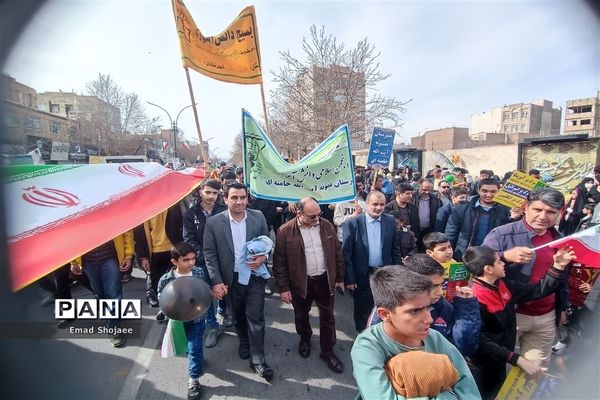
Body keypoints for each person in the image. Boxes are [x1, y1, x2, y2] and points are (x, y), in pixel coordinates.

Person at [351, 266, 480, 400]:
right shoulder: (368, 347)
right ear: (385, 314)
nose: (429, 319)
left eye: (427, 307)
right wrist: (448, 395)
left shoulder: (434, 338)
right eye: (415, 311)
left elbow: (467, 387)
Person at [463, 245, 574, 399]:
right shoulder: (473, 298)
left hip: (499, 360)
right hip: (482, 366)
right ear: (488, 269)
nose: (503, 263)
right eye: (499, 262)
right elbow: (479, 340)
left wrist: (558, 266)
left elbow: (537, 290)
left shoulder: (503, 285)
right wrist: (515, 358)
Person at [482, 188, 569, 371]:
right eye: (538, 210)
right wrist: (504, 256)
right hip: (510, 313)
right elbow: (477, 265)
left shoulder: (560, 240)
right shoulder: (502, 234)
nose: (543, 216)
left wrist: (562, 307)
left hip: (546, 316)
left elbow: (562, 277)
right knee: (500, 367)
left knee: (536, 372)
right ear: (525, 207)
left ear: (560, 213)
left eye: (551, 212)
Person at [203, 182, 274, 381]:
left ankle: (258, 359)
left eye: (243, 198)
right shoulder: (214, 223)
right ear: (225, 199)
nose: (239, 202)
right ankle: (244, 340)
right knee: (238, 316)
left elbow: (267, 243)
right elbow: (209, 254)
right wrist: (216, 281)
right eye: (234, 198)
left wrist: (264, 258)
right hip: (230, 279)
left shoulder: (257, 217)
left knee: (256, 317)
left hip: (254, 277)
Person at [273, 197, 345, 373]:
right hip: (300, 282)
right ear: (299, 214)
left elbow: (337, 253)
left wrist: (340, 278)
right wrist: (283, 288)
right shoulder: (285, 231)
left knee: (328, 318)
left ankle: (327, 351)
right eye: (312, 216)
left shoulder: (327, 225)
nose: (317, 219)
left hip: (324, 280)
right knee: (301, 315)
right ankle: (305, 339)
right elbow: (279, 263)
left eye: (318, 214)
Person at [367, 254, 480, 357]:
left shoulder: (445, 307)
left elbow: (461, 349)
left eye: (441, 284)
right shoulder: (390, 309)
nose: (440, 292)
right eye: (432, 286)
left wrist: (466, 309)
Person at [343, 190, 402, 332]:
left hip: (385, 273)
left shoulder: (389, 221)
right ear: (367, 204)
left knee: (384, 307)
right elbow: (347, 253)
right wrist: (350, 279)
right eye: (375, 204)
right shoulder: (352, 223)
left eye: (382, 204)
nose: (378, 208)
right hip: (363, 274)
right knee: (363, 309)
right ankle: (363, 337)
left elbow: (395, 249)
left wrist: (398, 273)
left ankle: (381, 335)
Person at [157, 242, 206, 400]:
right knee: (188, 347)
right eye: (186, 260)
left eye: (193, 259)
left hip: (197, 320)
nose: (191, 263)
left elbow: (203, 293)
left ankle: (193, 379)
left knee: (195, 346)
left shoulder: (199, 273)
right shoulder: (166, 280)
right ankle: (196, 360)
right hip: (178, 321)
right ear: (174, 261)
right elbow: (162, 298)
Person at [182, 179, 227, 347]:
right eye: (208, 192)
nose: (211, 196)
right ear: (201, 191)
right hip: (201, 262)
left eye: (215, 193)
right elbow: (189, 239)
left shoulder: (224, 211)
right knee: (206, 293)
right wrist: (204, 256)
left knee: (223, 289)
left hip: (223, 260)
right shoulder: (191, 214)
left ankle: (223, 312)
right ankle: (213, 325)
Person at [71, 230, 134, 347]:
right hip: (87, 260)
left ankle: (113, 327)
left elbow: (126, 228)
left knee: (113, 294)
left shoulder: (112, 210)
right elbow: (70, 235)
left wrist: (128, 254)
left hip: (110, 257)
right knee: (99, 294)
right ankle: (112, 317)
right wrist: (73, 261)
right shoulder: (74, 212)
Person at [445, 178, 518, 261]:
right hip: (465, 255)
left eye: (493, 191)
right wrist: (449, 255)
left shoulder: (506, 210)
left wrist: (514, 218)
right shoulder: (462, 208)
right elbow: (451, 233)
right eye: (484, 191)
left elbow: (511, 234)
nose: (489, 195)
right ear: (478, 190)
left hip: (493, 256)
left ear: (499, 192)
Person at [134, 202, 183, 307]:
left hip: (173, 249)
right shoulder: (141, 208)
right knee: (158, 284)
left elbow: (181, 224)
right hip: (154, 252)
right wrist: (143, 257)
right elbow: (139, 235)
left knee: (176, 283)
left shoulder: (173, 203)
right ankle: (164, 307)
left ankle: (174, 310)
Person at [410, 178, 442, 250]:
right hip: (414, 231)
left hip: (429, 231)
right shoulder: (411, 198)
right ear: (419, 187)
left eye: (430, 190)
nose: (427, 192)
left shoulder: (436, 200)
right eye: (424, 189)